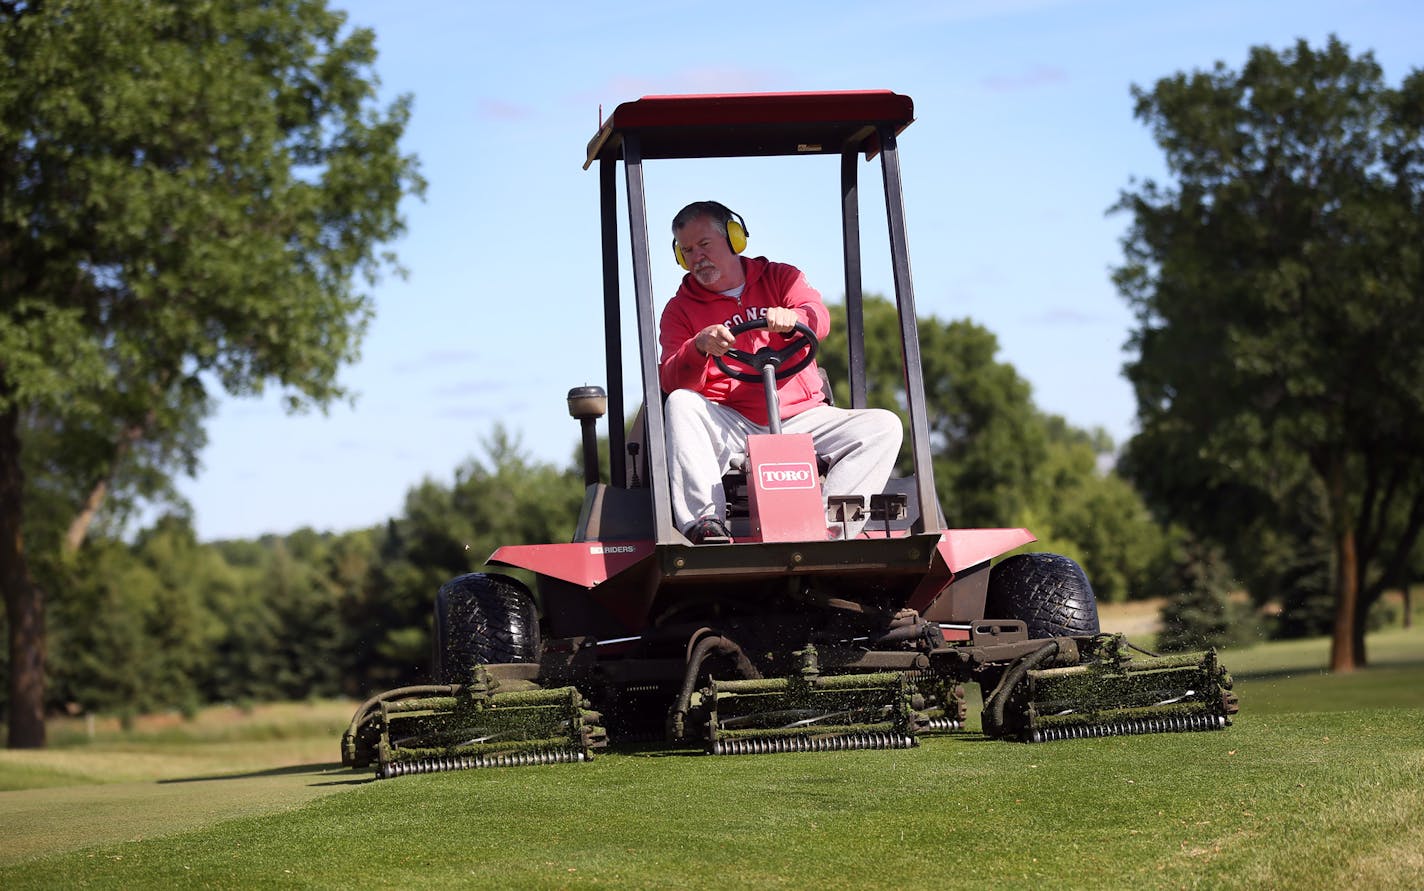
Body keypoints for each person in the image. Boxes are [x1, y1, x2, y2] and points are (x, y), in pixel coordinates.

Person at [659, 200, 903, 543]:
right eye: (687, 251)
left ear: (733, 238)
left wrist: (794, 321)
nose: (696, 257)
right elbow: (671, 378)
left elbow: (817, 316)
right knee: (681, 403)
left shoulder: (780, 278)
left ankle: (829, 530)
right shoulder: (679, 310)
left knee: (883, 426)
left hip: (801, 417)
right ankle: (705, 524)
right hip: (730, 422)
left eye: (704, 245)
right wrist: (698, 347)